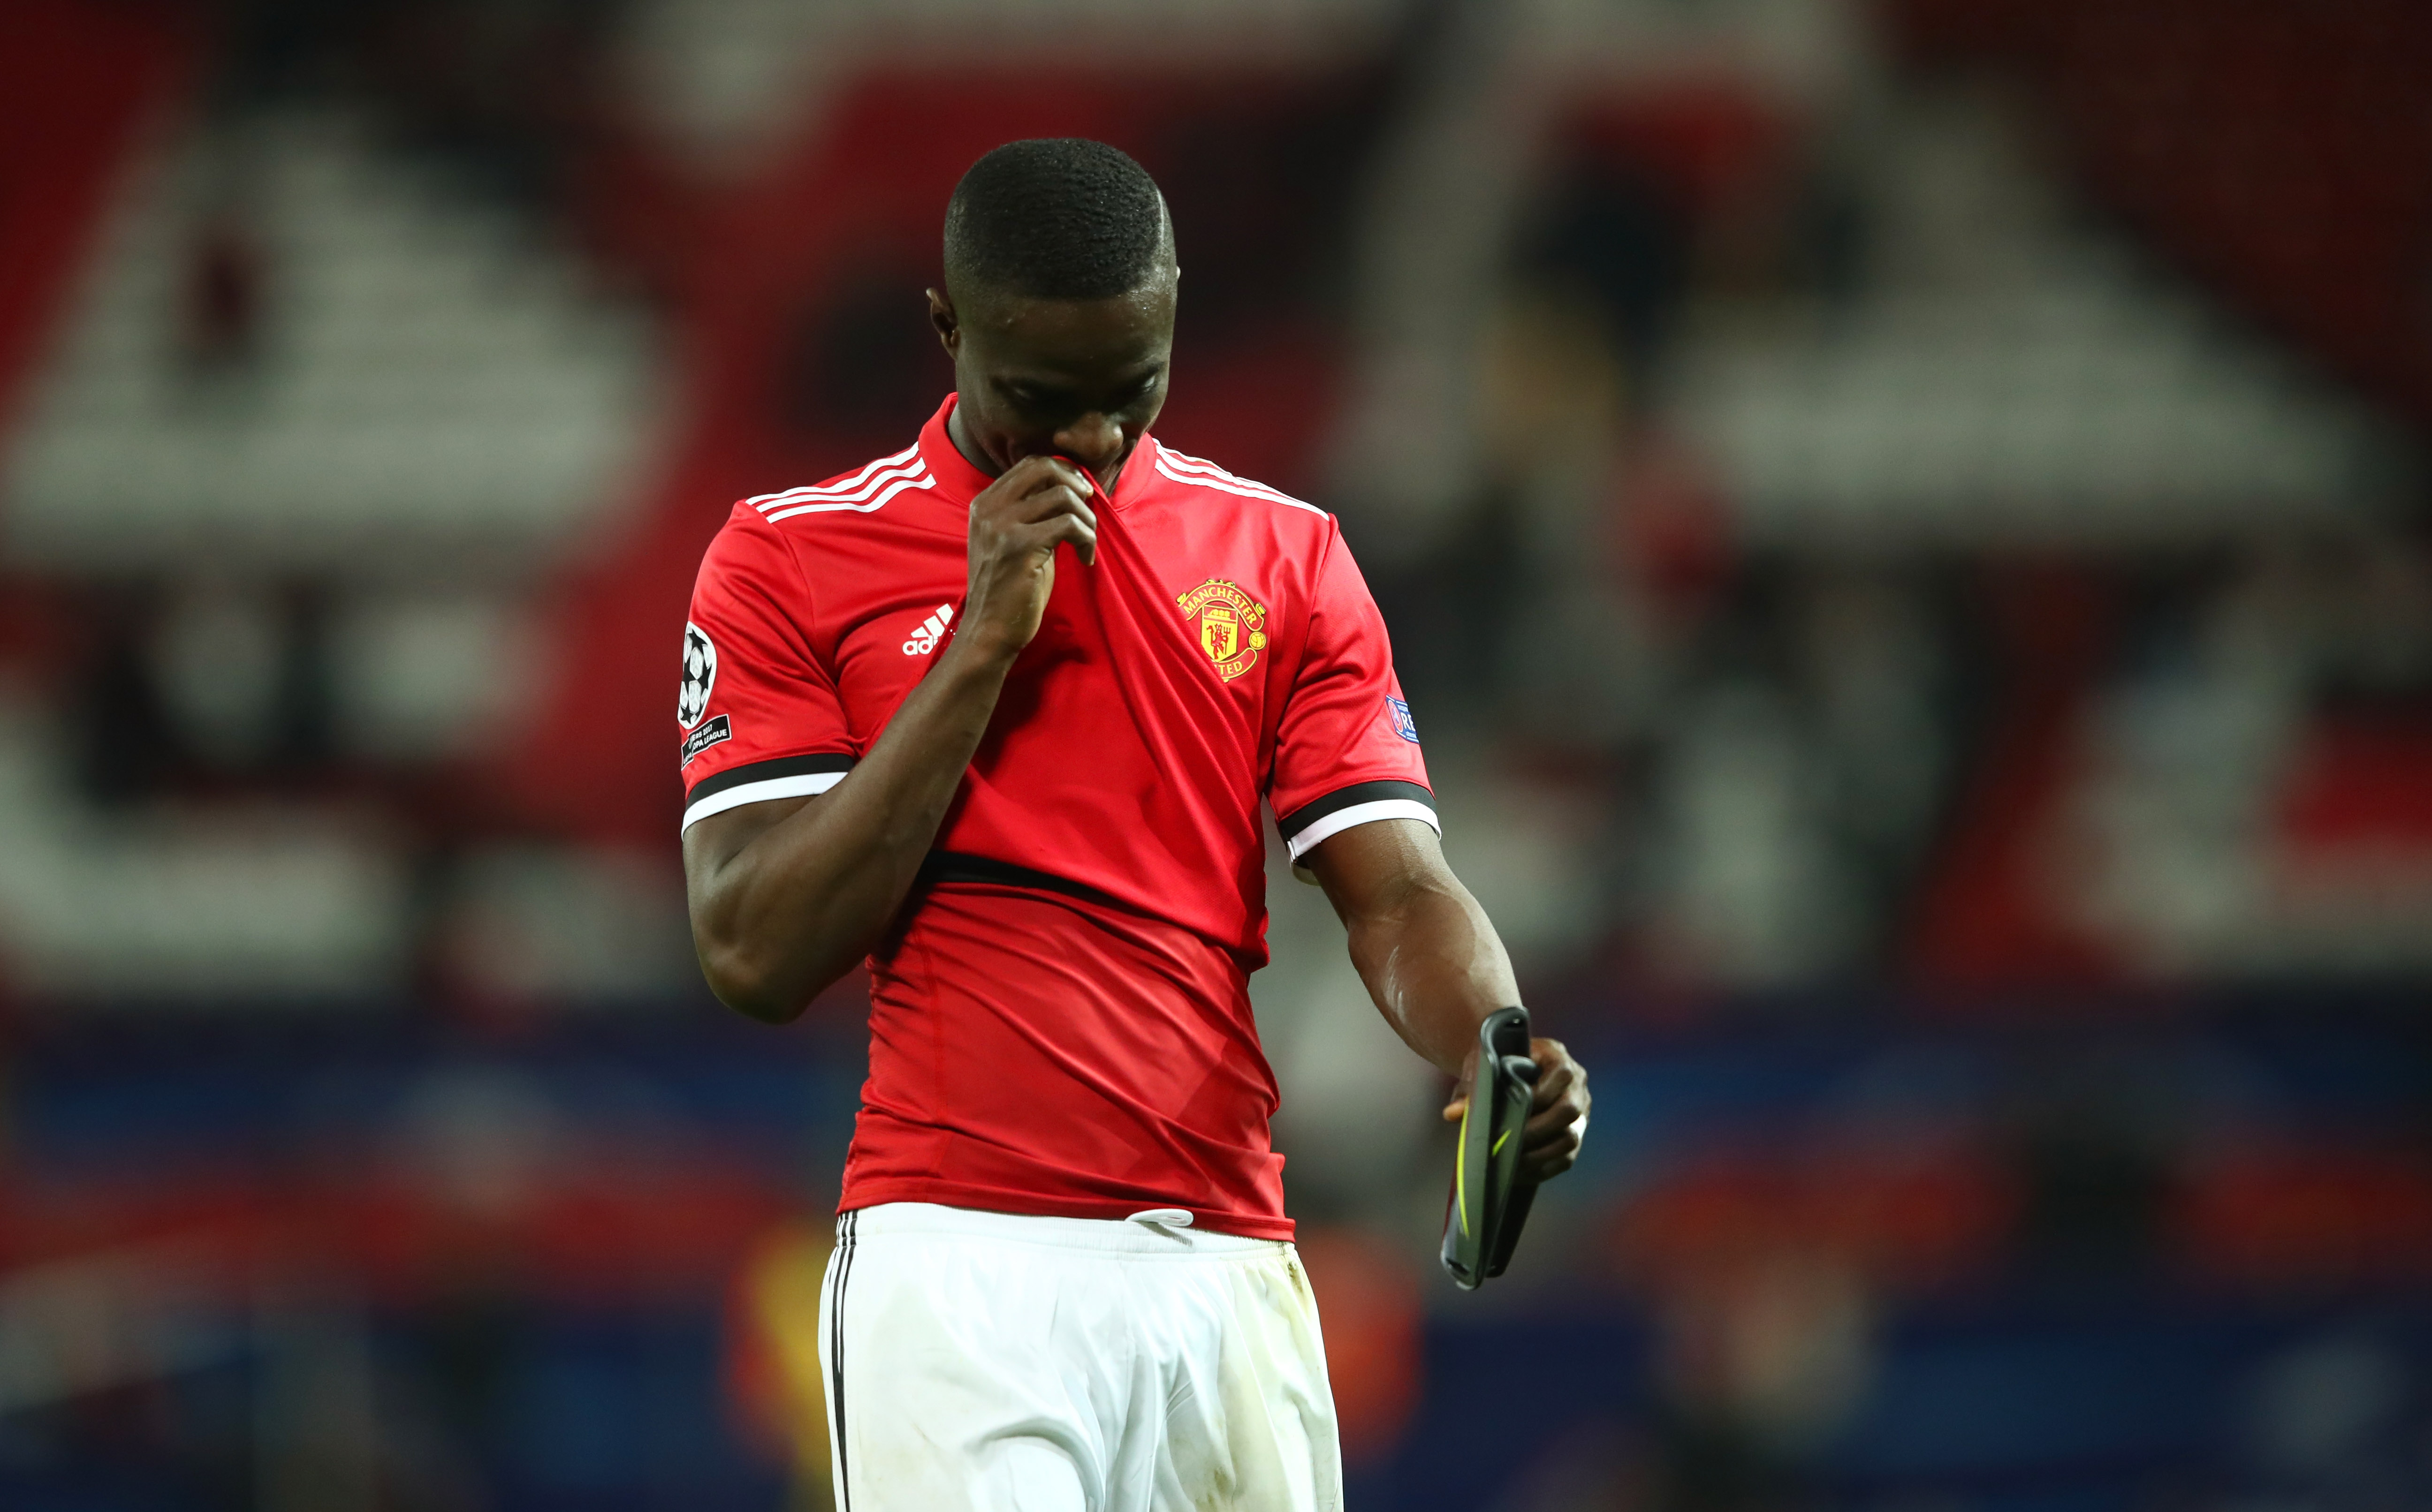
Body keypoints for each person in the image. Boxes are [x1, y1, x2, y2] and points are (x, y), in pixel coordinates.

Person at [677, 138, 1590, 1512]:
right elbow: (752, 948)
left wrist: (1490, 1040)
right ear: (949, 331)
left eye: (1133, 391)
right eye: (1044, 400)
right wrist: (981, 643)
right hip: (958, 1259)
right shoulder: (792, 557)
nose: (1095, 440)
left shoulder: (1285, 558)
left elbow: (1397, 889)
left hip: (1227, 1265)